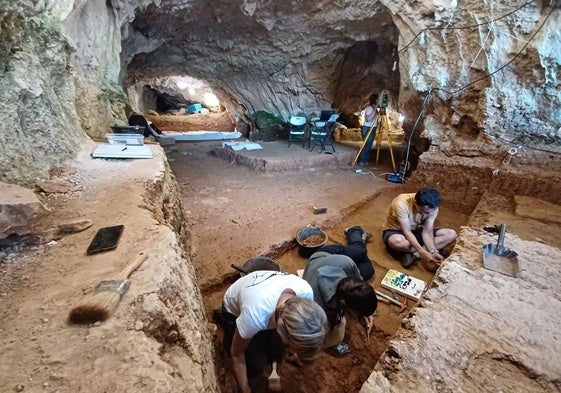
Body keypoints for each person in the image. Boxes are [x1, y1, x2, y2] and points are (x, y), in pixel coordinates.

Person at [217, 266, 328, 393]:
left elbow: (306, 329)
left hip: (264, 299)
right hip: (233, 310)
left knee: (277, 350)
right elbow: (237, 354)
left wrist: (300, 353)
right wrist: (245, 389)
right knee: (256, 365)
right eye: (290, 344)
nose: (290, 349)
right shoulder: (255, 316)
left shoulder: (305, 294)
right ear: (280, 327)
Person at [302, 251, 377, 349]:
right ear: (343, 303)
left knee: (368, 269)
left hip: (321, 257)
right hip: (312, 270)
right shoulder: (320, 313)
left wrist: (366, 309)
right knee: (336, 336)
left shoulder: (347, 263)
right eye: (353, 313)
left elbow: (360, 282)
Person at [381, 187, 457, 272]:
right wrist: (423, 252)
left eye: (429, 212)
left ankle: (415, 255)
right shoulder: (401, 203)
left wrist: (433, 251)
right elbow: (407, 231)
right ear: (415, 203)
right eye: (423, 212)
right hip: (396, 230)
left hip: (416, 229)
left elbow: (427, 231)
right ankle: (410, 252)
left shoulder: (432, 208)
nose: (427, 214)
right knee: (398, 242)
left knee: (451, 234)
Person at [357, 93, 379, 167]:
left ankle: (365, 160)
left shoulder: (373, 109)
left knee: (368, 145)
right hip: (368, 128)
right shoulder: (370, 108)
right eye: (378, 99)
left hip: (372, 128)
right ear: (375, 100)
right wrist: (375, 109)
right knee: (367, 145)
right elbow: (368, 119)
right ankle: (362, 160)